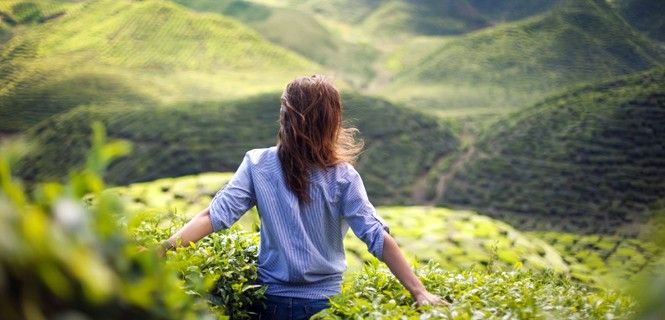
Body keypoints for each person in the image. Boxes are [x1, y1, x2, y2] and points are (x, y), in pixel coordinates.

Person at [159, 75, 448, 319]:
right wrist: (419, 291)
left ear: (285, 116)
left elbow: (213, 216)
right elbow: (376, 236)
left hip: (269, 302)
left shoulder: (257, 163)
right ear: (331, 121)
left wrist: (162, 250)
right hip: (325, 305)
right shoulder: (343, 176)